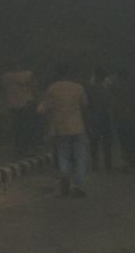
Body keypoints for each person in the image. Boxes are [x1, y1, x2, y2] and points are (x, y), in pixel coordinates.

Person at [38, 66, 89, 197]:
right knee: (80, 157)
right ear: (70, 74)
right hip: (78, 126)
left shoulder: (52, 88)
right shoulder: (78, 87)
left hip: (60, 128)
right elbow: (85, 105)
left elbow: (43, 109)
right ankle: (80, 187)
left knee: (63, 155)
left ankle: (65, 177)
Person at [1, 63, 37, 156]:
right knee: (28, 127)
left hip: (12, 105)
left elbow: (4, 90)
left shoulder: (5, 77)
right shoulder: (28, 74)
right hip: (26, 103)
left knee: (17, 128)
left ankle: (19, 149)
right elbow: (33, 86)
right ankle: (29, 148)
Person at [107, 70, 135, 171]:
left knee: (123, 140)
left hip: (120, 118)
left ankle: (127, 162)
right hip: (131, 118)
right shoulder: (132, 88)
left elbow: (113, 103)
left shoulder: (116, 88)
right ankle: (132, 160)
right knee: (131, 140)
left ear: (119, 77)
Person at [86, 66, 113, 171]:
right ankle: (108, 164)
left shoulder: (90, 88)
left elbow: (87, 104)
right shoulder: (108, 88)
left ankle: (95, 164)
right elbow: (111, 103)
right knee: (107, 142)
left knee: (94, 142)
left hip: (94, 117)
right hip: (106, 117)